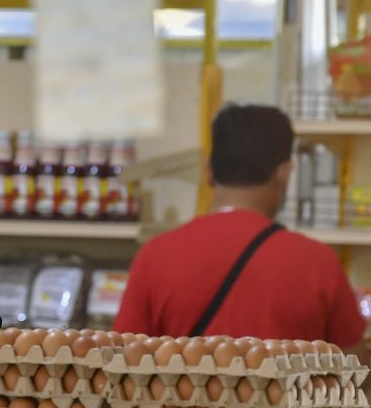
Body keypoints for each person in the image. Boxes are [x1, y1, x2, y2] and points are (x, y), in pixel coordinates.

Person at [114, 103, 367, 356]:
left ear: (209, 172)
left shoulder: (154, 257)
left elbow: (124, 357)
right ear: (285, 173)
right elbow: (354, 363)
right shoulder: (318, 263)